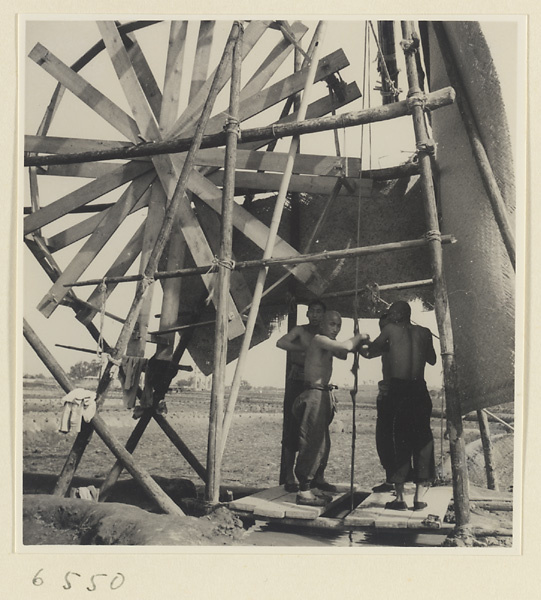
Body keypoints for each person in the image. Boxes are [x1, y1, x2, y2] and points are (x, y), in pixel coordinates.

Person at [361, 301, 437, 511]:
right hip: (419, 390)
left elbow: (369, 353)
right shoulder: (425, 331)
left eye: (391, 312)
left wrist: (360, 341)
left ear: (398, 314)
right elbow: (432, 360)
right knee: (423, 439)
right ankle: (419, 498)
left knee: (399, 440)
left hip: (398, 391)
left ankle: (400, 499)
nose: (389, 315)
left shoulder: (390, 329)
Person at [292, 310, 369, 506]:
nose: (336, 329)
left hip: (324, 393)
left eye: (339, 326)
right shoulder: (319, 339)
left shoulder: (327, 343)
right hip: (314, 394)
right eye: (332, 324)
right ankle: (304, 490)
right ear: (322, 325)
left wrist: (359, 345)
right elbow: (345, 346)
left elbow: (344, 353)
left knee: (322, 444)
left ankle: (315, 483)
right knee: (312, 442)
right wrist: (359, 337)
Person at [276, 300, 326, 492]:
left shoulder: (325, 334)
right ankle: (290, 476)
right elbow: (281, 342)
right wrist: (305, 348)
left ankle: (318, 476)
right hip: (297, 381)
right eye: (312, 312)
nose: (315, 315)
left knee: (319, 431)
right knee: (292, 429)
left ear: (324, 315)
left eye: (319, 312)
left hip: (318, 384)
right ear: (307, 314)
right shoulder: (300, 331)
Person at [359, 312, 394, 493]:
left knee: (394, 439)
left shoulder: (397, 343)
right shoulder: (386, 344)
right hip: (387, 396)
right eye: (382, 328)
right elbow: (368, 352)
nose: (383, 331)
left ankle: (398, 481)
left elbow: (368, 351)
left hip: (397, 396)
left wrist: (360, 342)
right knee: (384, 439)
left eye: (386, 327)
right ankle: (391, 480)